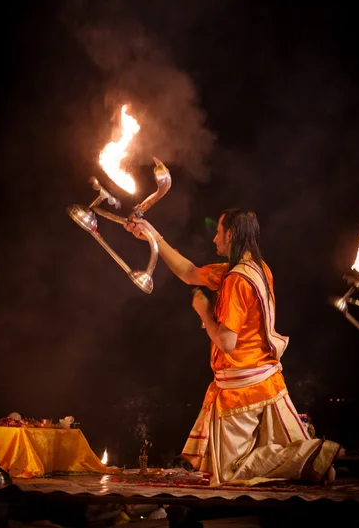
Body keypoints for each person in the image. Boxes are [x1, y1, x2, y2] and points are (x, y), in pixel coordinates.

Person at [125, 208, 340, 486]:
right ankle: (312, 462)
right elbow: (189, 272)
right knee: (246, 468)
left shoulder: (237, 279)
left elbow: (227, 342)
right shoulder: (257, 269)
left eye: (218, 233)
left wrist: (203, 311)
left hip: (242, 391)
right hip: (265, 383)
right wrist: (153, 236)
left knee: (228, 475)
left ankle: (313, 454)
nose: (214, 239)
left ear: (230, 234)